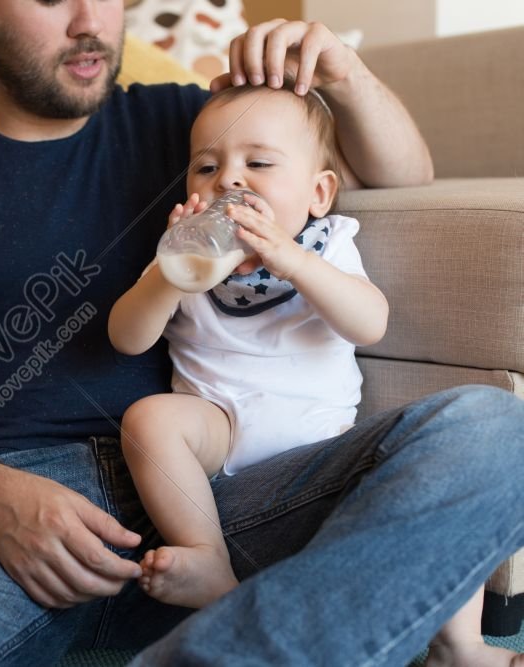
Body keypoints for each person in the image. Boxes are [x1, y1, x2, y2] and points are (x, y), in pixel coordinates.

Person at [0, 1, 524, 665]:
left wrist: (344, 75)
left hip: (220, 491)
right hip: (7, 509)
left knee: (495, 432)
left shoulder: (190, 129)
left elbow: (402, 175)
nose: (91, 20)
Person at [109, 82, 520, 667]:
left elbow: (369, 322)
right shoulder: (182, 257)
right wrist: (167, 276)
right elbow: (127, 338)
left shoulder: (326, 247)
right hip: (219, 432)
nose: (228, 180)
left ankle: (461, 646)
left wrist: (293, 260)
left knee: (429, 484)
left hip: (324, 453)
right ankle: (205, 554)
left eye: (258, 163)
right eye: (206, 166)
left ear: (318, 193)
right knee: (147, 420)